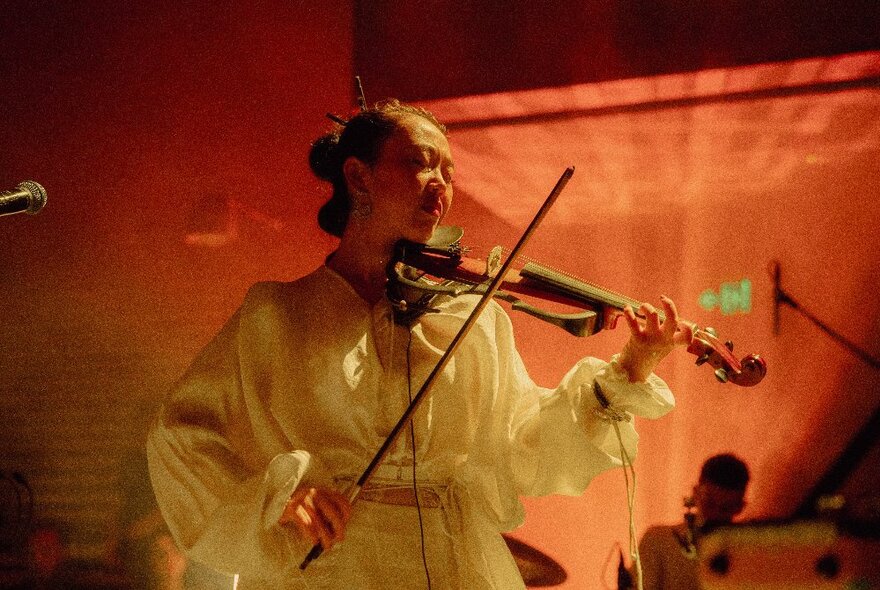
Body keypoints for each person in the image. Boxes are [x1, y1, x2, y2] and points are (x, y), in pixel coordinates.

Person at [146, 98, 693, 589]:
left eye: (448, 171)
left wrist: (631, 369)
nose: (441, 185)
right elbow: (182, 436)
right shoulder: (276, 315)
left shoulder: (471, 319)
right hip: (332, 569)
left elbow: (524, 445)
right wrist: (279, 500)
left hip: (458, 566)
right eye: (421, 162)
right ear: (358, 177)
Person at [634, 453, 751, 590]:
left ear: (740, 507)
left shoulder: (749, 552)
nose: (715, 515)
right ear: (696, 494)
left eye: (725, 508)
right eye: (710, 504)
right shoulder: (657, 541)